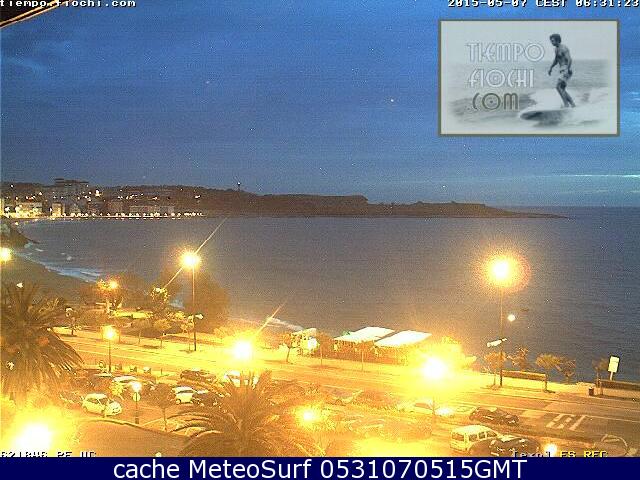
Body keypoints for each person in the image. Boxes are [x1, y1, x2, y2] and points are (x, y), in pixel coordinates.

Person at [548, 33, 575, 108]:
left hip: (566, 68)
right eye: (551, 41)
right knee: (562, 88)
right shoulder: (556, 49)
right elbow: (556, 60)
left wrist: (567, 69)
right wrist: (551, 68)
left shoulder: (564, 48)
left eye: (553, 41)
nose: (551, 42)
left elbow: (569, 59)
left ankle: (566, 105)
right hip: (562, 69)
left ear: (557, 40)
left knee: (558, 87)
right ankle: (573, 104)